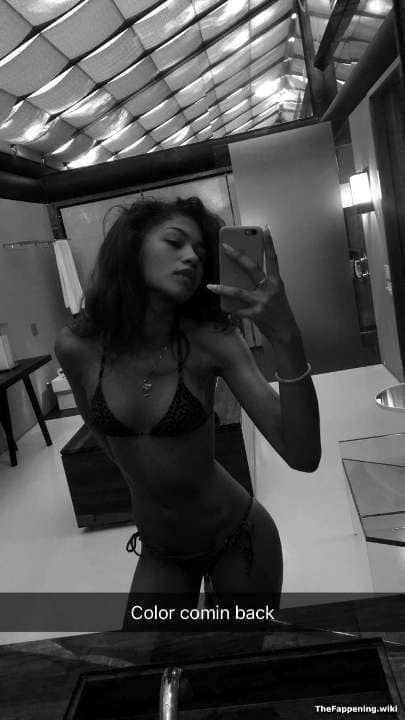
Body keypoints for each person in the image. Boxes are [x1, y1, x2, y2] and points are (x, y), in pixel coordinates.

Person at [55, 196, 320, 623]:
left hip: (238, 537)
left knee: (242, 656)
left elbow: (303, 454)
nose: (192, 257)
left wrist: (286, 335)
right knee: (147, 657)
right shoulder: (76, 347)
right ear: (132, 248)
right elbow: (100, 432)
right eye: (175, 242)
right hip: (163, 552)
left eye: (200, 251)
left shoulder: (213, 342)